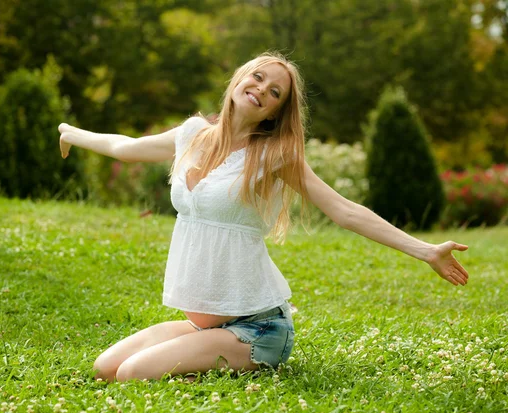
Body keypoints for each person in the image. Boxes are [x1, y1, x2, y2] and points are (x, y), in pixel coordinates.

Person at [57, 52, 469, 383]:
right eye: (257, 78)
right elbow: (125, 146)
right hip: (206, 326)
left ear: (274, 113)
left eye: (274, 93)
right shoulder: (192, 134)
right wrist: (72, 134)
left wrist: (426, 249)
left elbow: (344, 210)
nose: (261, 90)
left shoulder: (274, 156)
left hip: (258, 330)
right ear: (239, 79)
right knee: (105, 368)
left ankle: (251, 356)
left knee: (132, 374)